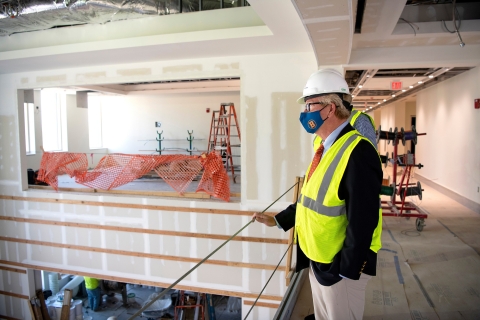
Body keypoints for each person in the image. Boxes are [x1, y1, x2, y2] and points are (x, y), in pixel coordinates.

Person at [253, 69, 382, 320]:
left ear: (330, 108)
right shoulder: (322, 147)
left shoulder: (358, 152)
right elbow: (312, 198)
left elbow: (363, 220)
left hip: (340, 268)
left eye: (309, 105)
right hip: (318, 260)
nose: (304, 113)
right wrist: (279, 219)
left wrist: (345, 270)